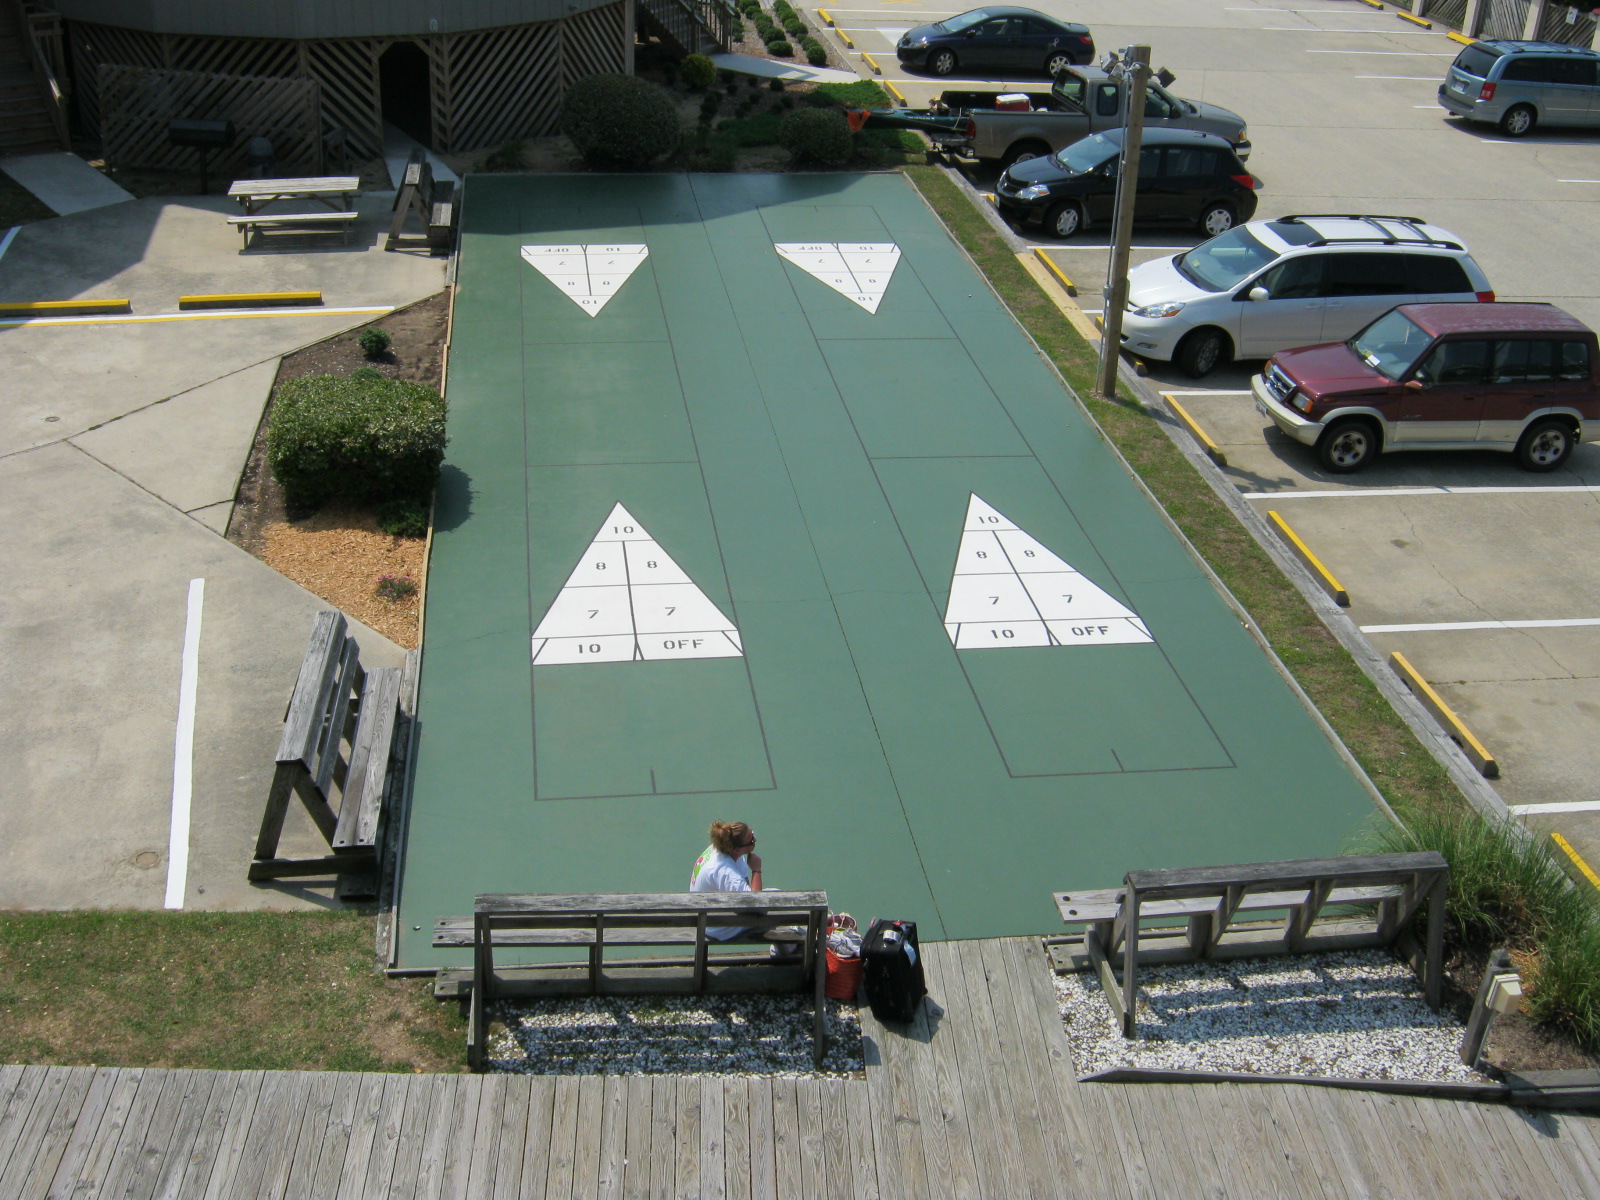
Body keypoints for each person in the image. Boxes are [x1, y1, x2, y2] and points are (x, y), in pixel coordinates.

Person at [689, 820, 761, 941]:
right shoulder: (725, 871)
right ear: (738, 849)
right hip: (714, 927)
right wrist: (756, 870)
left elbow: (746, 888)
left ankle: (786, 948)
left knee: (774, 898)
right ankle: (785, 950)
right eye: (752, 839)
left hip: (707, 914)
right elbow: (758, 903)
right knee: (777, 904)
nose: (755, 840)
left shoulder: (721, 847)